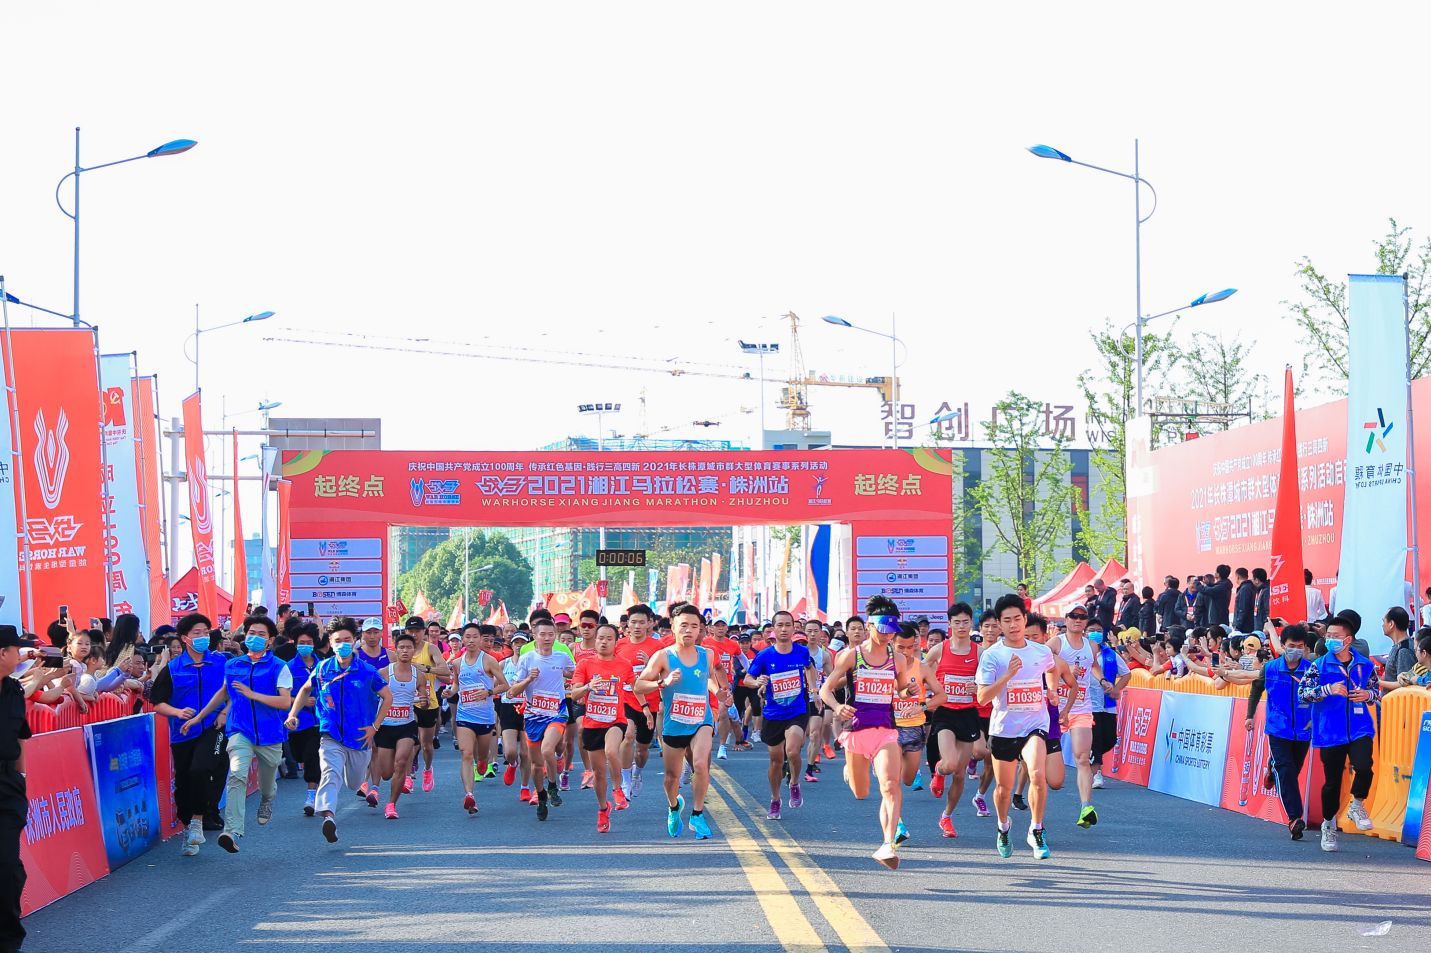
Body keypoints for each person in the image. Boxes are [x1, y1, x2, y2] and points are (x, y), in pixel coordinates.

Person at [820, 597, 918, 869]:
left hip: (885, 730)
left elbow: (899, 689)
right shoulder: (851, 656)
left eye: (891, 630)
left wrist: (906, 691)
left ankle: (888, 844)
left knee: (890, 785)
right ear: (870, 626)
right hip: (856, 731)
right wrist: (837, 707)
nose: (887, 635)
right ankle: (850, 770)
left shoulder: (897, 659)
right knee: (861, 793)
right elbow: (825, 689)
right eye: (883, 629)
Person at [182, 615, 293, 853]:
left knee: (267, 786)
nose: (255, 638)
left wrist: (253, 695)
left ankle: (267, 800)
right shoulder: (232, 665)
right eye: (252, 633)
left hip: (270, 734)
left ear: (270, 640)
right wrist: (199, 718)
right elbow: (223, 693)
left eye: (261, 635)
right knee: (237, 775)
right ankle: (231, 831)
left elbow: (285, 702)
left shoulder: (279, 667)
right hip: (240, 730)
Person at [284, 618, 392, 843]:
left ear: (355, 641)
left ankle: (352, 784)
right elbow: (305, 689)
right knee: (330, 773)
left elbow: (387, 697)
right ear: (330, 644)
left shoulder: (367, 671)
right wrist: (292, 714)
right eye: (337, 640)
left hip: (360, 737)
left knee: (354, 782)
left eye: (347, 640)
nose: (342, 644)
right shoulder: (323, 669)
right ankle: (328, 817)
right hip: (330, 733)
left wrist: (374, 727)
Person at [634, 604, 729, 840]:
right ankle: (674, 806)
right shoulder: (663, 656)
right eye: (683, 625)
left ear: (700, 629)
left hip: (701, 719)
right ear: (673, 627)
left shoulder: (707, 654)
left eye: (694, 626)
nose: (689, 630)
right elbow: (638, 686)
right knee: (671, 777)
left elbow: (708, 677)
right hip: (674, 723)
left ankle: (697, 814)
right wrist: (662, 683)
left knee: (701, 764)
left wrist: (717, 691)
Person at [976, 594, 1058, 860]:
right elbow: (982, 697)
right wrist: (1008, 676)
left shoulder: (1041, 651)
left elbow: (1052, 669)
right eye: (1007, 620)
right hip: (1004, 728)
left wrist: (1052, 690)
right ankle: (1003, 827)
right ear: (1000, 624)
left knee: (1037, 774)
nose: (1013, 625)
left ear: (1025, 619)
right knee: (1003, 789)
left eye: (1017, 619)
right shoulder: (992, 656)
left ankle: (1036, 829)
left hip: (1035, 724)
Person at [150, 613, 230, 855]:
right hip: (183, 732)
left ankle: (198, 819)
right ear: (185, 638)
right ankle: (188, 827)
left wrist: (224, 712)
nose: (203, 636)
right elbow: (157, 703)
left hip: (214, 727)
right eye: (197, 633)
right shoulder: (173, 669)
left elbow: (236, 692)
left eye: (206, 632)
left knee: (202, 768)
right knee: (184, 781)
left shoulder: (222, 662)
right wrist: (177, 712)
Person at [1298, 615, 1379, 851]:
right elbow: (1303, 693)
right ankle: (1328, 824)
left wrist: (1368, 695)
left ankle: (1357, 804)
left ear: (1348, 640)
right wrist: (1327, 689)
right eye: (1328, 636)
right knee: (1332, 783)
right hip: (1330, 731)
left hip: (1359, 727)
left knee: (1364, 766)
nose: (1330, 640)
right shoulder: (1319, 665)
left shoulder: (1365, 665)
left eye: (1335, 636)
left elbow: (1376, 691)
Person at [744, 610, 818, 819]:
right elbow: (748, 678)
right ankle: (775, 799)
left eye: (788, 625)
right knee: (776, 761)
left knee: (793, 751)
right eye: (780, 625)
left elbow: (810, 668)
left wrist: (814, 691)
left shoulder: (802, 652)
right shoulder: (765, 655)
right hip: (773, 713)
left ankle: (794, 783)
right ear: (773, 630)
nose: (784, 629)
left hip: (797, 709)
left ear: (794, 628)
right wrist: (757, 682)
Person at [1246, 624, 1314, 840]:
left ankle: (1271, 766)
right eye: (1292, 645)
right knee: (1285, 770)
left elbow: (1321, 696)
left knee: (1293, 770)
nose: (1296, 649)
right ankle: (1294, 818)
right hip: (1278, 728)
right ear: (1283, 646)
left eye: (1300, 646)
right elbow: (1256, 689)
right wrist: (1250, 716)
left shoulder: (1312, 670)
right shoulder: (1270, 668)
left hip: (1303, 729)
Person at [923, 601, 985, 838]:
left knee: (959, 774)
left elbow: (989, 681)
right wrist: (927, 692)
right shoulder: (939, 649)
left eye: (965, 622)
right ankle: (939, 772)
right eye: (956, 622)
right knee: (949, 765)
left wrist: (978, 687)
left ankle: (946, 817)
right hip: (945, 713)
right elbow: (921, 673)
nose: (961, 626)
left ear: (971, 623)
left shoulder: (979, 652)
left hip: (968, 714)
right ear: (949, 624)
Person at [508, 618, 576, 821]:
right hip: (533, 716)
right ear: (534, 636)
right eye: (542, 634)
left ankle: (553, 786)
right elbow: (512, 692)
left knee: (548, 749)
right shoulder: (527, 659)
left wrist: (574, 681)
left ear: (555, 636)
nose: (547, 638)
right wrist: (529, 679)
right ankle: (542, 795)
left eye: (550, 634)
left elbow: (575, 673)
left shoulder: (562, 657)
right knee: (536, 765)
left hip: (557, 712)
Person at [570, 623, 632, 832]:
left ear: (616, 642)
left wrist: (647, 707)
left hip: (616, 720)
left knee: (611, 751)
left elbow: (636, 687)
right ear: (595, 641)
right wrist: (588, 687)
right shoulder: (585, 664)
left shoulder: (624, 665)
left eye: (609, 638)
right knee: (598, 773)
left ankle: (618, 790)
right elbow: (574, 694)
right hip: (593, 722)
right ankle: (603, 809)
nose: (604, 642)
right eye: (600, 638)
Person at [891, 622, 946, 844]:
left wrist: (922, 706)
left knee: (907, 779)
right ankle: (897, 824)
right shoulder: (884, 667)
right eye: (900, 648)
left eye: (910, 647)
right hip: (890, 728)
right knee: (892, 781)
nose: (905, 652)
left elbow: (941, 695)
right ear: (892, 644)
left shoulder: (921, 668)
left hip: (914, 728)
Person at [1046, 605, 1100, 828]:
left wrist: (1103, 680)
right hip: (1054, 708)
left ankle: (1086, 806)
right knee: (1043, 762)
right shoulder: (1056, 643)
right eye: (1074, 616)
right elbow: (1041, 666)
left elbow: (1094, 666)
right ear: (1066, 619)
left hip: (1081, 707)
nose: (1078, 620)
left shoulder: (1092, 646)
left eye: (1082, 617)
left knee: (1082, 757)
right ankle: (1023, 792)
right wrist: (1066, 668)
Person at [446, 622, 508, 815]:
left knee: (481, 758)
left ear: (481, 639)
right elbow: (456, 685)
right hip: (465, 715)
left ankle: (483, 763)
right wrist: (450, 692)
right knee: (466, 754)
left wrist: (488, 692)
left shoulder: (489, 661)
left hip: (485, 717)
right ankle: (469, 795)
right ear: (463, 640)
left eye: (475, 637)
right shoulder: (457, 663)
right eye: (468, 637)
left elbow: (504, 685)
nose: (471, 640)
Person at [0, 628, 34, 953]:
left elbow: (21, 736)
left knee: (7, 868)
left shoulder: (13, 690)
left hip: (7, 786)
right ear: (3, 653)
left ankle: (9, 941)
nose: (20, 655)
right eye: (16, 649)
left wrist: (21, 777)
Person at [373, 632, 429, 819]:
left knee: (401, 762)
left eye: (409, 647)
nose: (405, 651)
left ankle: (391, 804)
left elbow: (424, 701)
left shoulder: (419, 675)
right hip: (385, 726)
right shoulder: (383, 673)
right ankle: (388, 787)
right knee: (387, 773)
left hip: (407, 725)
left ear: (414, 651)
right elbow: (371, 696)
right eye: (402, 647)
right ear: (395, 650)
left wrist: (424, 702)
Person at [615, 604, 661, 798]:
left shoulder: (658, 647)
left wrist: (650, 663)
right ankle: (625, 781)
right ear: (628, 624)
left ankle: (637, 773)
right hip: (626, 700)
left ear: (649, 623)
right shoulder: (619, 645)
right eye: (633, 622)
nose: (637, 626)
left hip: (651, 703)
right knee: (628, 736)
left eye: (641, 622)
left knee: (642, 750)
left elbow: (664, 675)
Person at [1086, 622, 1128, 788]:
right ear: (1085, 632)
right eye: (1092, 630)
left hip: (1107, 703)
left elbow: (1126, 674)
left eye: (1099, 631)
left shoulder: (1110, 653)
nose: (1095, 633)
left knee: (1109, 739)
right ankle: (1096, 772)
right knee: (1096, 738)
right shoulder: (1080, 653)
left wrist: (1116, 689)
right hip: (1087, 703)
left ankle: (1089, 756)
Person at [286, 627, 323, 816]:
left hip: (319, 722)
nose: (305, 646)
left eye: (309, 643)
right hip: (298, 722)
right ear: (295, 644)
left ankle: (311, 795)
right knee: (300, 755)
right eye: (302, 643)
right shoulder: (288, 667)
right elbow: (281, 695)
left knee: (312, 755)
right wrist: (299, 701)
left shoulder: (323, 665)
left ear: (314, 644)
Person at [1380, 607, 1417, 693]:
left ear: (1391, 624)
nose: (1382, 625)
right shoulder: (1400, 646)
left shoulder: (1404, 651)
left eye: (1384, 621)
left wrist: (1378, 682)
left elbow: (1404, 683)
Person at [1233, 567, 1255, 633]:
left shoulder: (1244, 589)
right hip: (1249, 624)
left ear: (1237, 577)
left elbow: (1243, 608)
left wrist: (1237, 626)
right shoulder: (1250, 587)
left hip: (1244, 626)